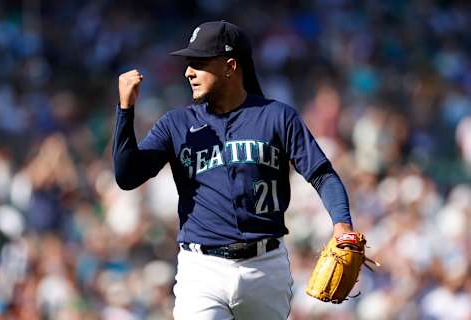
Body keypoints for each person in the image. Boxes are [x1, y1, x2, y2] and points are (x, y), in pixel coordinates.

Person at [113, 20, 354, 320]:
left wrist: (342, 223)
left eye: (199, 63)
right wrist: (125, 111)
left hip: (265, 267)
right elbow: (127, 176)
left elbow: (321, 174)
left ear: (230, 66)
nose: (189, 72)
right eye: (189, 63)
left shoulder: (277, 117)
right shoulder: (176, 124)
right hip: (202, 269)